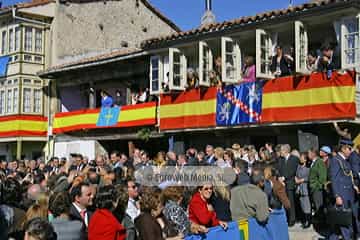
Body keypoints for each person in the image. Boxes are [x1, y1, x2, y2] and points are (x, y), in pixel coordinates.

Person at [329, 139, 359, 240]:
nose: (351, 151)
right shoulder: (336, 160)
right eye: (349, 149)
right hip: (342, 194)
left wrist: (354, 185)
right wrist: (337, 195)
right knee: (344, 220)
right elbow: (334, 179)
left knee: (344, 220)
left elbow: (347, 176)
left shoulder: (344, 161)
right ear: (343, 148)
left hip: (349, 194)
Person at [278, 144, 299, 226]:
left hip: (290, 183)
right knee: (285, 202)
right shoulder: (281, 159)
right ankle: (286, 217)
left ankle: (292, 219)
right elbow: (279, 169)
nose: (280, 152)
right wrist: (280, 178)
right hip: (282, 184)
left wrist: (284, 178)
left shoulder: (294, 159)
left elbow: (292, 170)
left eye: (281, 150)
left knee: (291, 202)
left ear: (286, 151)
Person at [295, 153, 311, 229]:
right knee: (302, 204)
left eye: (302, 158)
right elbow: (296, 174)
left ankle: (308, 221)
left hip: (305, 188)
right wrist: (296, 179)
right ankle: (304, 219)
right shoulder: (298, 166)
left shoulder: (308, 168)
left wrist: (302, 180)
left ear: (305, 159)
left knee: (307, 205)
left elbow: (309, 177)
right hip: (299, 188)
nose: (300, 159)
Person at [308, 148, 327, 213]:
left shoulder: (320, 162)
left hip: (317, 189)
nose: (308, 155)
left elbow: (322, 177)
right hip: (313, 188)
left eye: (309, 153)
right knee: (316, 206)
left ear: (313, 154)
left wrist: (317, 186)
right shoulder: (312, 162)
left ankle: (321, 222)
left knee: (319, 207)